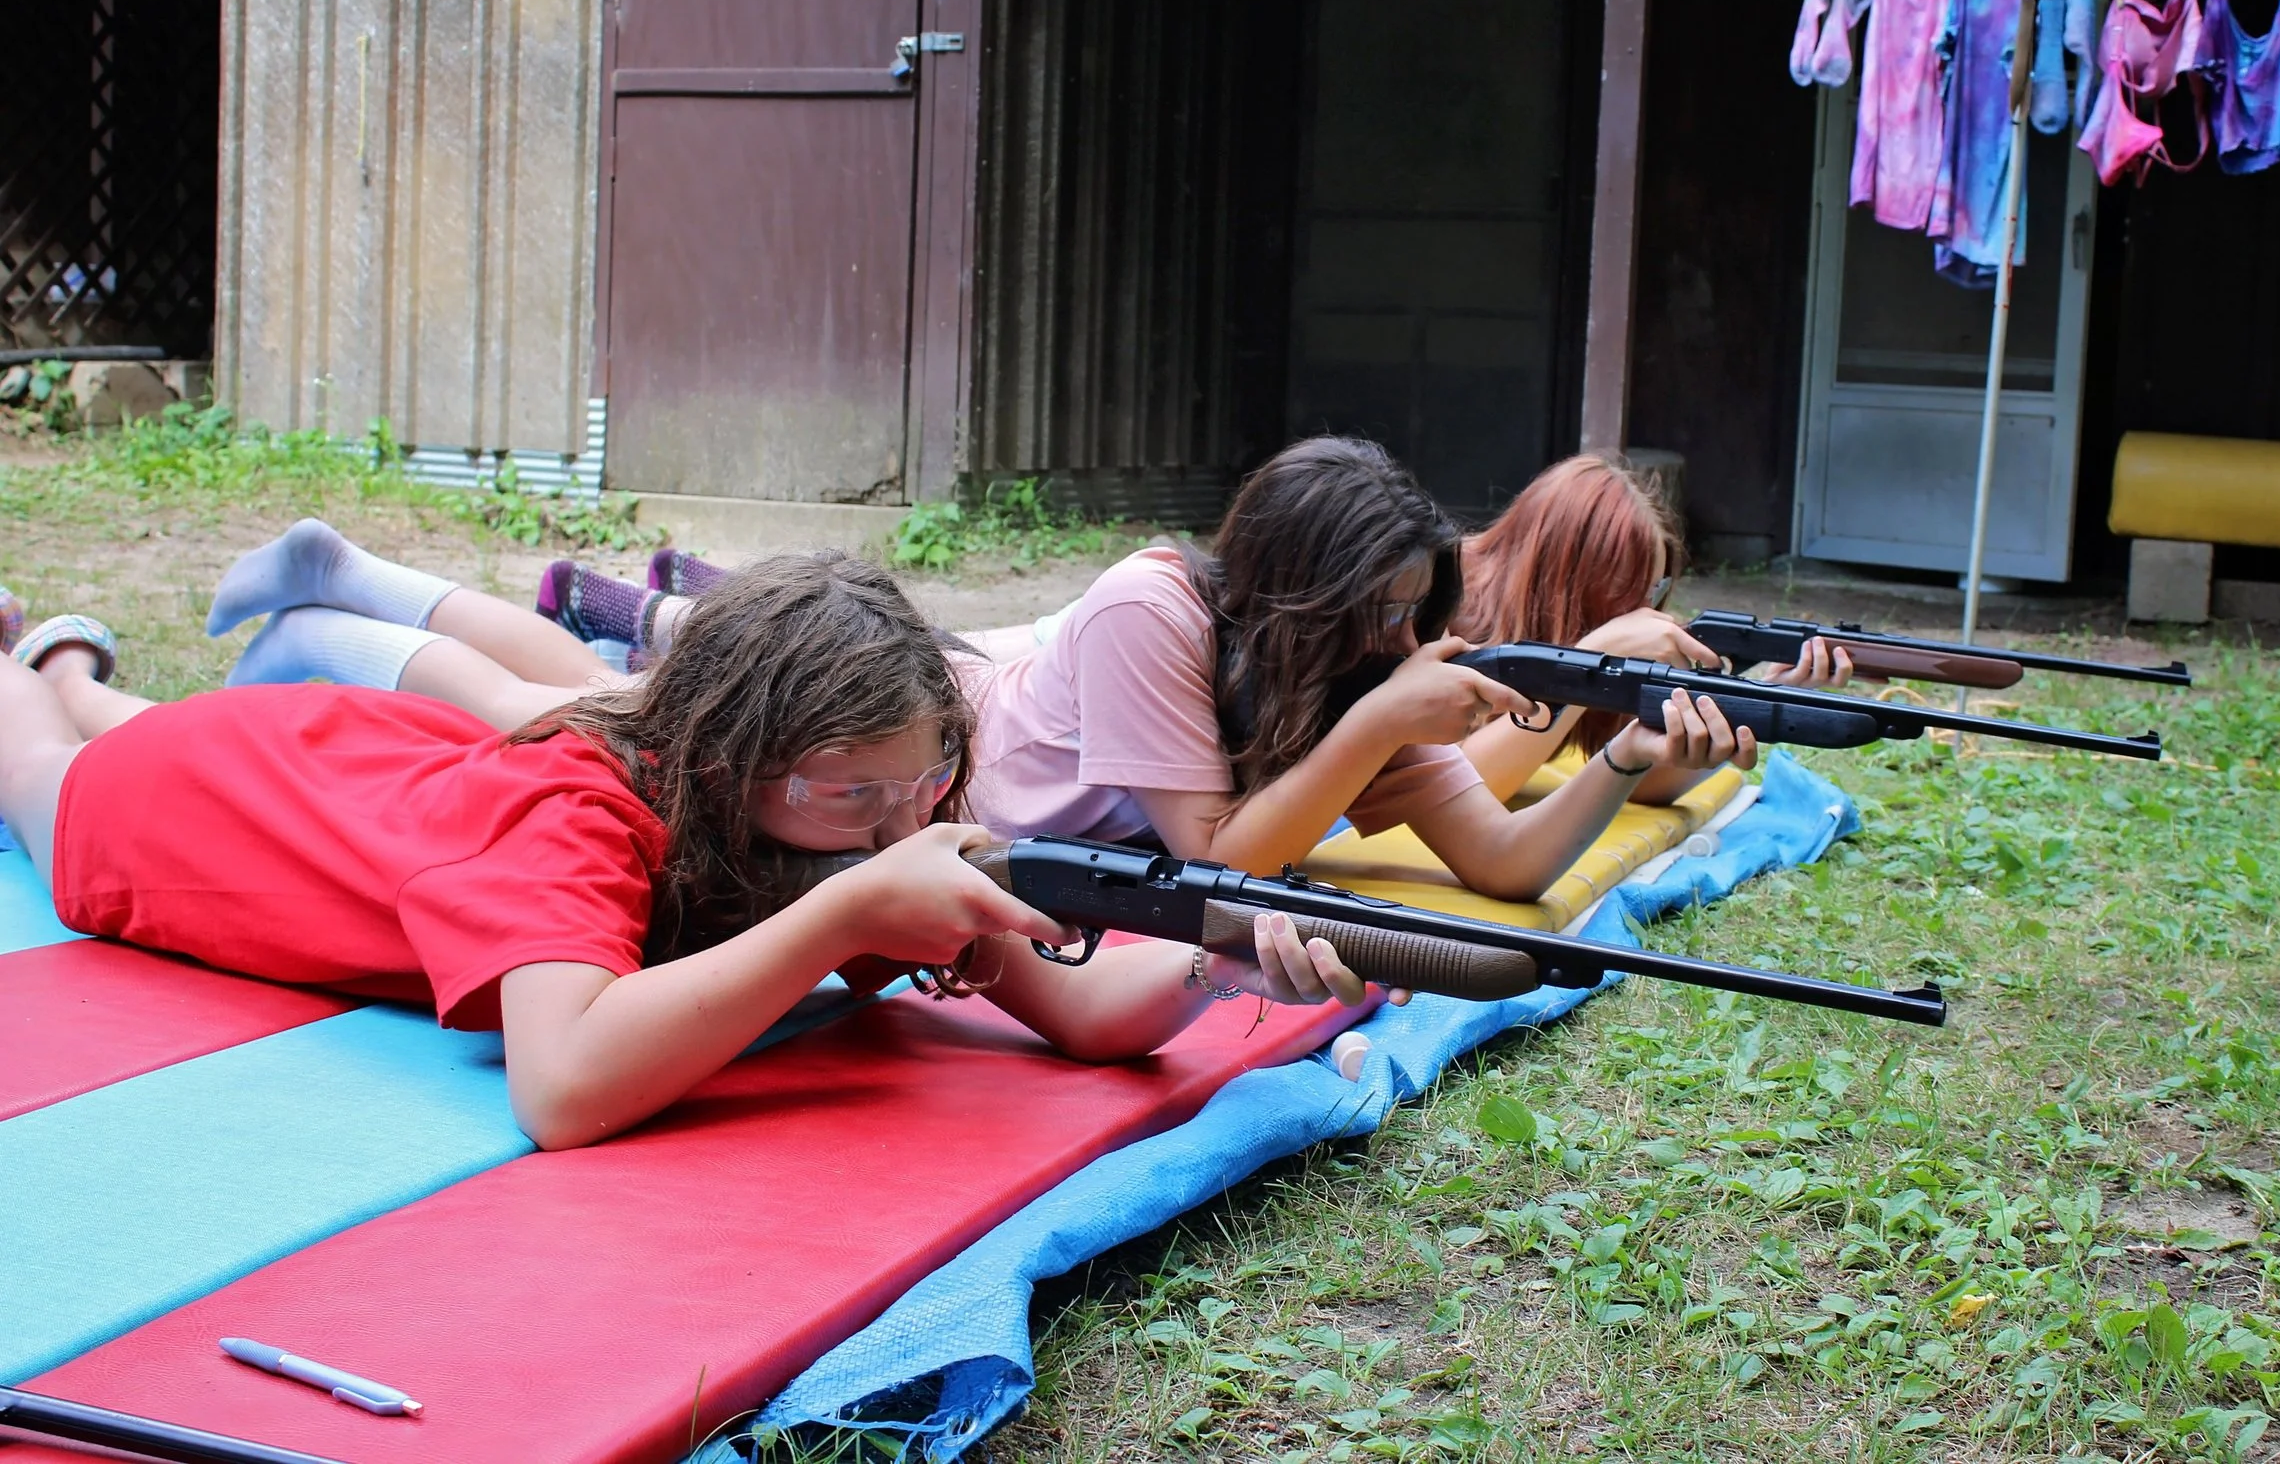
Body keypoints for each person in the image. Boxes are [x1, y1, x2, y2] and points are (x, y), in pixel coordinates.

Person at [0, 557, 1377, 1151]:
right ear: (724, 761)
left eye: (927, 783)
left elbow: (1076, 1007)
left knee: (137, 717)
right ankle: (28, 654)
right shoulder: (586, 811)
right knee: (54, 781)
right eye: (857, 794)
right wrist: (844, 918)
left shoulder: (863, 822)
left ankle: (70, 651)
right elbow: (565, 1085)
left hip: (354, 761)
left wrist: (1214, 950)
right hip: (204, 815)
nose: (907, 822)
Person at [951, 437, 1748, 900]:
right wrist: (1377, 724)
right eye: (1382, 613)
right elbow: (1216, 868)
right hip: (954, 780)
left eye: (1412, 614)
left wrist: (1622, 758)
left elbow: (1505, 861)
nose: (1403, 643)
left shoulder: (1371, 670)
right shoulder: (1150, 608)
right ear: (1304, 594)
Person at [1448, 453, 1852, 804]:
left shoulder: (1598, 631)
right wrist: (1586, 661)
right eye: (1626, 590)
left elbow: (1642, 785)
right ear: (1564, 577)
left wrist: (1764, 700)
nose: (1645, 611)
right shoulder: (1441, 597)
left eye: (1655, 588)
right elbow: (1458, 791)